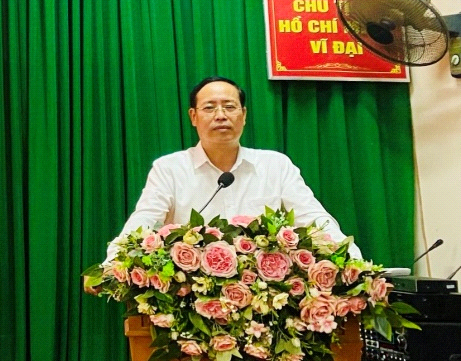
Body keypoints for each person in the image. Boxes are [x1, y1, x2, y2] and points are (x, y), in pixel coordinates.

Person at [107, 76, 352, 261]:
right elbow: (145, 219)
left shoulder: (275, 166)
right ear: (193, 117)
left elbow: (313, 218)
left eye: (230, 107)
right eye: (209, 108)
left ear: (243, 115)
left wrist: (352, 260)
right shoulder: (169, 168)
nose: (221, 115)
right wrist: (114, 262)